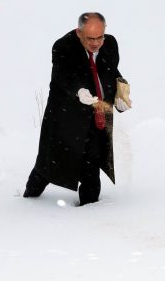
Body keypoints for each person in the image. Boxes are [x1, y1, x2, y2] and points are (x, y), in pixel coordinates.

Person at [23, 12, 131, 206]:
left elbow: (110, 73)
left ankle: (89, 213)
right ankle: (28, 200)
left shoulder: (110, 44)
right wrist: (79, 90)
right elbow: (63, 75)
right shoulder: (63, 46)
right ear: (79, 32)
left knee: (92, 165)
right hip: (66, 117)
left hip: (96, 118)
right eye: (90, 38)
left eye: (100, 37)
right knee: (48, 164)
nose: (96, 43)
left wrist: (120, 97)